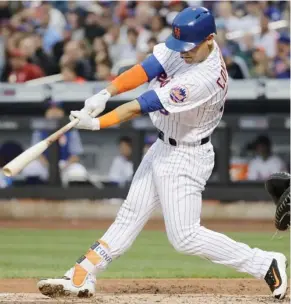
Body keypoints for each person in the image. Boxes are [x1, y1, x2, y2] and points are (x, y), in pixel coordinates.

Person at [38, 7, 288, 300]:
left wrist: (96, 123)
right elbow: (148, 68)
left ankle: (265, 262)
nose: (183, 53)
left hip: (186, 156)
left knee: (185, 237)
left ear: (210, 39)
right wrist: (106, 92)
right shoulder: (190, 46)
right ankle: (81, 274)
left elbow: (140, 105)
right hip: (163, 146)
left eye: (189, 48)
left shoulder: (204, 77)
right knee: (129, 215)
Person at [22, 100, 86, 185]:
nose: (54, 112)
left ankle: (72, 197)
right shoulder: (39, 130)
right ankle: (36, 195)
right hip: (45, 164)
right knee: (30, 168)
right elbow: (36, 154)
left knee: (79, 172)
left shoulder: (71, 129)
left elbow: (76, 156)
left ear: (63, 112)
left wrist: (64, 166)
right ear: (46, 113)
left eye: (57, 109)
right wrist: (50, 167)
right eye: (51, 109)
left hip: (64, 165)